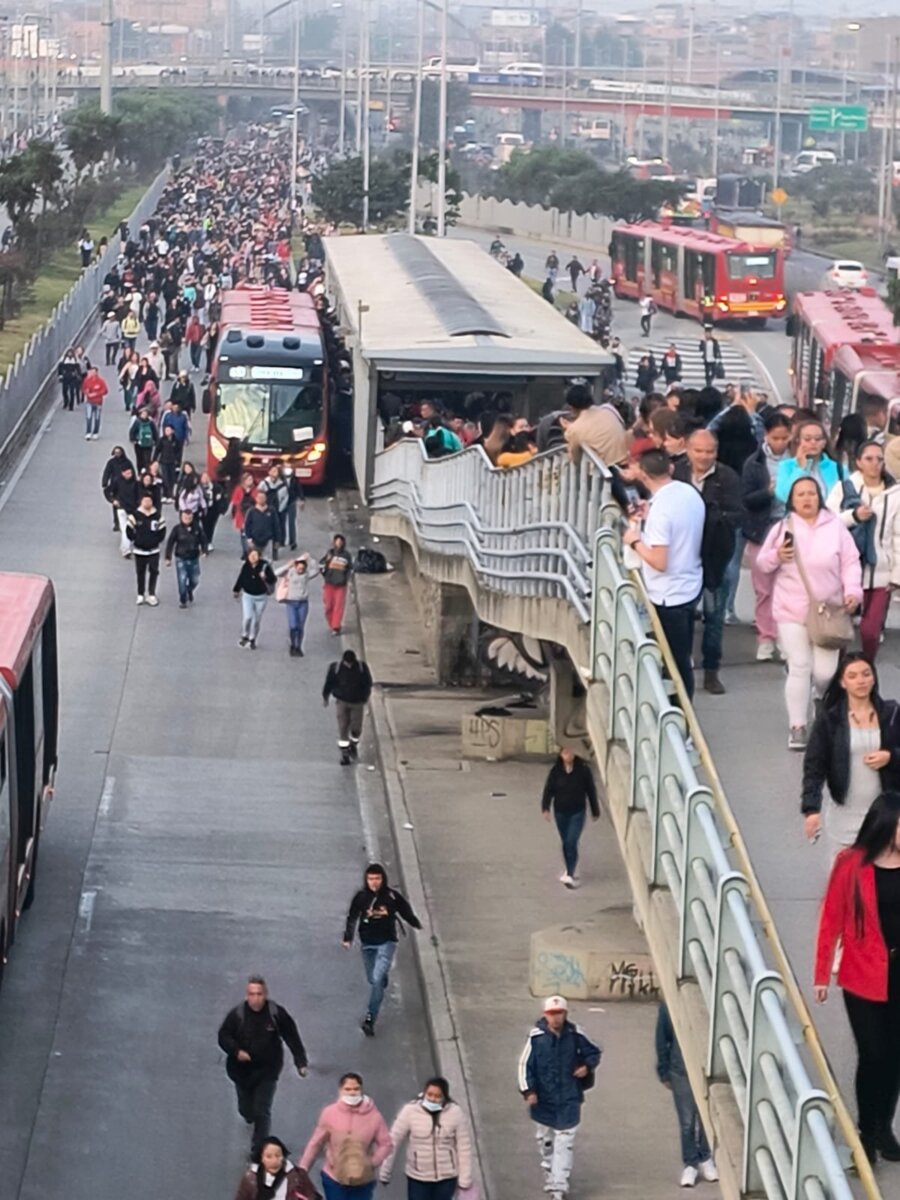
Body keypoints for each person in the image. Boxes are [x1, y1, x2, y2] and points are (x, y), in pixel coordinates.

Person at [814, 791, 900, 1163]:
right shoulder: (850, 864)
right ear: (885, 825)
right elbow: (831, 919)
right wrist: (821, 975)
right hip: (861, 974)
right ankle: (867, 1129)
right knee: (873, 1053)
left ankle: (883, 1125)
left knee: (894, 1055)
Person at [757, 477, 863, 750]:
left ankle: (819, 697)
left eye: (812, 494)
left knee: (825, 672)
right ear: (792, 499)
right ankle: (797, 726)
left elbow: (850, 562)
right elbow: (762, 564)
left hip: (829, 611)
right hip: (791, 609)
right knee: (800, 666)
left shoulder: (836, 528)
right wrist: (778, 556)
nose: (807, 499)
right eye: (801, 494)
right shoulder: (783, 528)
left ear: (820, 497)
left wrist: (853, 591)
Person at [624, 448, 705, 700]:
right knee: (682, 660)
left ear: (643, 475)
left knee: (673, 665)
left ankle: (679, 720)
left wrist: (634, 541)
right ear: (669, 468)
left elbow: (659, 561)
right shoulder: (689, 493)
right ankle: (682, 716)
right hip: (690, 583)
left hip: (667, 594)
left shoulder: (661, 511)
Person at [802, 654, 900, 856]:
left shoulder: (892, 713)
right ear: (842, 682)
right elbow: (814, 766)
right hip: (845, 815)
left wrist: (890, 757)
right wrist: (811, 809)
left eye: (866, 674)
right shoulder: (829, 721)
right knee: (845, 877)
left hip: (887, 814)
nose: (861, 681)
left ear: (874, 678)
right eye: (853, 676)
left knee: (885, 880)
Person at [673, 429, 743, 695]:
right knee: (684, 615)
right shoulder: (676, 473)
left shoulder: (727, 477)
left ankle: (712, 670)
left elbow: (736, 514)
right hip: (683, 557)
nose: (703, 456)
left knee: (714, 617)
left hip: (716, 556)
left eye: (709, 451)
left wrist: (708, 518)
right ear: (688, 449)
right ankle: (683, 668)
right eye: (698, 450)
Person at [518, 995, 601, 1200]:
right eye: (552, 1014)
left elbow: (594, 1052)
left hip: (569, 1098)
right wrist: (529, 1091)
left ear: (565, 1014)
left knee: (565, 1142)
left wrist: (586, 1067)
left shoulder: (575, 1034)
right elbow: (524, 1066)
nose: (556, 1018)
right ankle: (549, 1171)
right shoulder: (536, 1038)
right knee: (545, 1141)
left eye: (559, 1014)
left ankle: (558, 1186)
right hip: (543, 1101)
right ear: (545, 1015)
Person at [217, 976, 309, 1159]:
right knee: (246, 1109)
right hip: (241, 1072)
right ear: (247, 995)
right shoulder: (237, 1015)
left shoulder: (275, 1013)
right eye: (252, 994)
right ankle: (247, 1115)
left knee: (262, 1110)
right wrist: (237, 1051)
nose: (256, 998)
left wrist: (301, 1062)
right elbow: (224, 1036)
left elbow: (292, 1035)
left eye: (259, 994)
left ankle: (258, 1149)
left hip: (268, 1070)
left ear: (265, 994)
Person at [826, 440, 900, 662]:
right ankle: (839, 676)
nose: (875, 464)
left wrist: (897, 575)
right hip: (847, 569)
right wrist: (854, 516)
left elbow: (898, 536)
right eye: (869, 459)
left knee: (870, 630)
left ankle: (867, 670)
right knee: (841, 629)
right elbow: (827, 522)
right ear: (858, 462)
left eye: (879, 459)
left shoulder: (895, 494)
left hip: (881, 570)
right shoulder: (845, 487)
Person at [342, 862, 421, 1036]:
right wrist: (348, 937)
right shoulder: (361, 897)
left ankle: (371, 1017)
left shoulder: (391, 896)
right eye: (371, 879)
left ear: (383, 879)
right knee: (373, 978)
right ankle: (382, 977)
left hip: (387, 942)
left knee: (376, 980)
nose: (374, 882)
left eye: (377, 878)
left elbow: (404, 910)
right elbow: (352, 917)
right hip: (368, 944)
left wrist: (415, 922)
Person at [741, 412, 792, 661]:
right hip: (761, 530)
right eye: (776, 437)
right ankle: (765, 637)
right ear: (765, 435)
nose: (780, 442)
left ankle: (784, 637)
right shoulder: (754, 463)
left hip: (788, 527)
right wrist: (768, 492)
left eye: (784, 437)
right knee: (763, 589)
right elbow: (747, 499)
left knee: (787, 586)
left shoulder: (796, 461)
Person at [299, 1073, 392, 1200]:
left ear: (361, 1090)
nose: (352, 1093)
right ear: (340, 1090)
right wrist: (303, 1169)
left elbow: (386, 1144)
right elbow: (316, 1143)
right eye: (348, 1089)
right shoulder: (329, 1113)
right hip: (334, 1178)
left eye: (356, 1089)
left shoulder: (374, 1116)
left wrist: (371, 1162)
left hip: (362, 1181)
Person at [655, 1002, 718, 1188]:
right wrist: (664, 1071)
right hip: (681, 1070)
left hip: (705, 1067)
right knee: (687, 1121)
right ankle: (690, 1163)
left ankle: (705, 1157)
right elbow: (662, 1038)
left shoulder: (709, 998)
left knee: (706, 1116)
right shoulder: (669, 1004)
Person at [379, 1077, 474, 1200]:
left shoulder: (455, 1113)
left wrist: (464, 1180)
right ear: (424, 1093)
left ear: (444, 1096)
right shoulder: (410, 1111)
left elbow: (464, 1147)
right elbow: (393, 1141)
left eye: (437, 1096)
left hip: (446, 1178)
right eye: (429, 1094)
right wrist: (385, 1171)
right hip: (418, 1178)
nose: (433, 1099)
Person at [541, 748, 600, 888]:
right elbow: (548, 790)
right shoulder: (556, 771)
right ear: (561, 754)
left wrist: (595, 810)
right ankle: (568, 868)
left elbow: (591, 790)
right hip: (561, 811)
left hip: (577, 811)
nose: (568, 755)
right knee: (565, 842)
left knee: (571, 840)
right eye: (565, 752)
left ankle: (570, 873)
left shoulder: (583, 771)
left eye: (570, 752)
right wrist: (545, 808)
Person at [562, 382, 629, 469]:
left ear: (571, 406)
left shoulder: (575, 429)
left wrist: (568, 431)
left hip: (606, 473)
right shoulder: (608, 411)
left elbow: (575, 460)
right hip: (625, 464)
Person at [323, 649, 373, 764]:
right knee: (343, 727)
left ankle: (353, 744)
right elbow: (329, 682)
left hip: (357, 702)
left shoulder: (361, 668)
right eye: (347, 663)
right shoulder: (336, 668)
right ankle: (344, 755)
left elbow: (368, 683)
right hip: (342, 701)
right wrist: (325, 696)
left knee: (356, 728)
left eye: (351, 663)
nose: (349, 665)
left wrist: (365, 697)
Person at [775, 419, 843, 504]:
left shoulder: (836, 467)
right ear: (798, 441)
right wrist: (800, 469)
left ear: (824, 443)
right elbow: (784, 496)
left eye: (818, 439)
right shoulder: (786, 466)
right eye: (807, 439)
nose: (813, 442)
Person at [233, 1138, 319, 1200]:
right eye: (269, 1157)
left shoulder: (297, 1176)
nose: (274, 1161)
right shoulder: (250, 1179)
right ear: (261, 1158)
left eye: (278, 1156)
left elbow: (313, 1196)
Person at [125, 491, 166, 606]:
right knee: (140, 572)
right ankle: (140, 594)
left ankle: (151, 594)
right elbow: (129, 530)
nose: (147, 502)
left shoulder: (157, 516)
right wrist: (136, 539)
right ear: (141, 502)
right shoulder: (135, 515)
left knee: (154, 571)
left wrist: (156, 541)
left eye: (149, 500)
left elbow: (162, 531)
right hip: (139, 550)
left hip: (154, 550)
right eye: (145, 500)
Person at [276, 554, 319, 656]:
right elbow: (276, 573)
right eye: (298, 567)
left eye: (302, 568)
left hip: (303, 603)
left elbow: (317, 570)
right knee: (293, 625)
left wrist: (310, 559)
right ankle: (292, 643)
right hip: (291, 602)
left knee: (300, 627)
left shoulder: (307, 575)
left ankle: (298, 646)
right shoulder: (290, 573)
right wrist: (288, 565)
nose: (300, 569)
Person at [233, 548, 277, 649]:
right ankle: (244, 635)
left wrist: (265, 577)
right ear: (248, 556)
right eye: (251, 555)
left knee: (256, 620)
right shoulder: (246, 566)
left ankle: (253, 638)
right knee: (247, 617)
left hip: (261, 597)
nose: (253, 557)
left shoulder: (264, 566)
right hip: (248, 596)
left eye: (255, 555)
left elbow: (273, 579)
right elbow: (241, 578)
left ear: (259, 556)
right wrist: (236, 590)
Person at [165, 509, 208, 608]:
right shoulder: (177, 529)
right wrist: (168, 557)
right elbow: (170, 542)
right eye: (185, 517)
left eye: (189, 518)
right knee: (182, 579)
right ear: (181, 517)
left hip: (194, 558)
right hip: (181, 557)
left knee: (195, 580)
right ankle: (183, 599)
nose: (187, 519)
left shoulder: (197, 528)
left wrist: (204, 550)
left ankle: (190, 590)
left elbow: (203, 539)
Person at [321, 534, 352, 635]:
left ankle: (336, 626)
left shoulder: (347, 555)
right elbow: (321, 565)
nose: (338, 544)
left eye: (340, 542)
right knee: (328, 606)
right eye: (337, 542)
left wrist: (346, 579)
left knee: (338, 606)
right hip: (329, 584)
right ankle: (331, 623)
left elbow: (350, 569)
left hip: (341, 585)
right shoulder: (330, 553)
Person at [101, 445, 133, 532]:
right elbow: (107, 472)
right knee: (116, 505)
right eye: (115, 452)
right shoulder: (111, 462)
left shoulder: (127, 462)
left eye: (119, 452)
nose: (117, 454)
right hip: (115, 486)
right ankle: (116, 523)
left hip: (126, 485)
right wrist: (104, 482)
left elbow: (132, 472)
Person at [245, 489, 281, 560]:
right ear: (256, 499)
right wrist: (249, 538)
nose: (261, 499)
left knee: (267, 561)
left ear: (266, 499)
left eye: (263, 498)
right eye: (259, 498)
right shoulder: (251, 511)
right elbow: (247, 525)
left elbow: (276, 526)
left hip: (268, 540)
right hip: (254, 541)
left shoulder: (271, 511)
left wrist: (277, 540)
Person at [128, 406, 159, 473]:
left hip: (148, 444)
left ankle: (146, 472)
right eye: (143, 413)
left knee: (147, 460)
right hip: (139, 444)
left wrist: (156, 441)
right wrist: (134, 440)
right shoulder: (137, 422)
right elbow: (132, 431)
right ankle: (140, 472)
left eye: (146, 413)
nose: (144, 415)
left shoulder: (151, 423)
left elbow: (155, 432)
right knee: (140, 459)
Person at [82, 365, 108, 440]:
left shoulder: (101, 381)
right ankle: (88, 432)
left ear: (97, 373)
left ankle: (96, 432)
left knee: (97, 418)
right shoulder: (87, 380)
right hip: (89, 402)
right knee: (89, 417)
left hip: (98, 402)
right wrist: (87, 393)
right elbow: (84, 388)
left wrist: (96, 393)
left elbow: (105, 391)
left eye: (94, 372)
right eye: (91, 372)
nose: (92, 373)